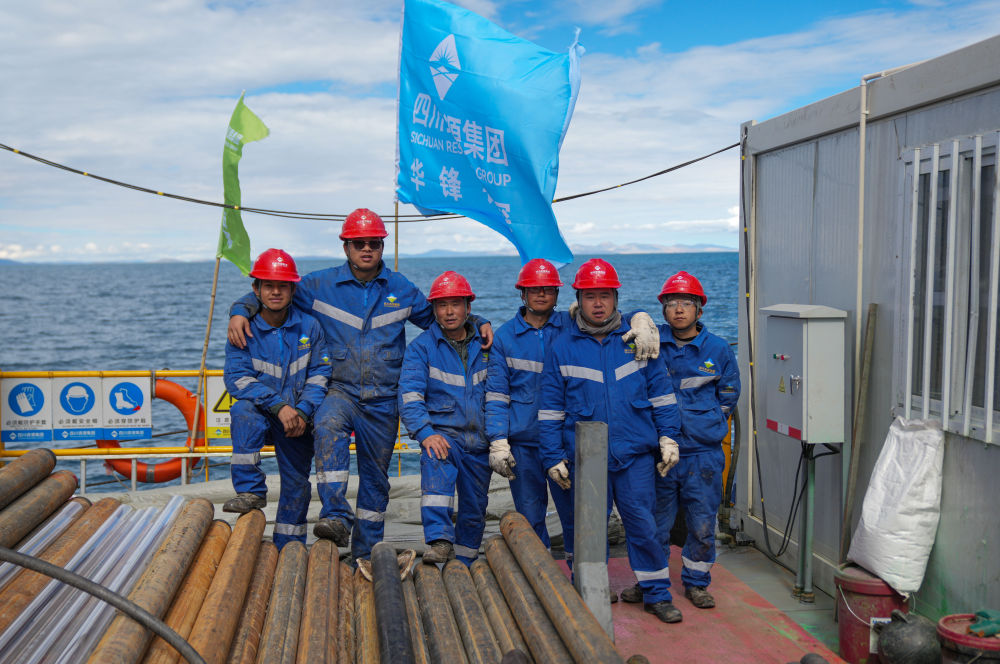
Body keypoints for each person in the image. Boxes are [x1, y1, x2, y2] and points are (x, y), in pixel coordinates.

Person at [227, 208, 492, 560]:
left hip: (384, 400)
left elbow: (443, 317)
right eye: (358, 243)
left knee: (376, 479)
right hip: (340, 390)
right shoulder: (319, 286)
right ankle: (336, 517)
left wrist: (478, 320)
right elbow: (275, 291)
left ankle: (365, 556)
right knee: (327, 425)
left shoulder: (401, 289)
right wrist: (240, 309)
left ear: (382, 247)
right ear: (346, 247)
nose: (366, 249)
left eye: (373, 243)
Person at [537, 258, 685, 623]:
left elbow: (662, 395)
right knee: (587, 531)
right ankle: (590, 593)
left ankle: (656, 593)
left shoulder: (638, 340)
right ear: (578, 300)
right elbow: (550, 410)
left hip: (634, 455)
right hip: (585, 459)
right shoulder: (562, 347)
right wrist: (552, 457)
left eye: (604, 295)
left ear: (616, 298)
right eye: (590, 297)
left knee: (644, 526)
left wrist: (669, 437)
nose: (598, 303)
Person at [484, 259, 661, 562]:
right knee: (530, 517)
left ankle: (577, 576)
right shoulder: (505, 337)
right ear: (522, 294)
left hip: (567, 444)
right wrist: (498, 441)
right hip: (525, 444)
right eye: (534, 289)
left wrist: (641, 318)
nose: (541, 294)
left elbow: (610, 317)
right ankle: (539, 576)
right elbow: (497, 396)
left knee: (577, 518)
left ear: (558, 293)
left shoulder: (571, 324)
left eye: (548, 289)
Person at [621, 270, 740, 609]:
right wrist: (637, 318)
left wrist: (707, 422)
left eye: (686, 303)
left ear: (699, 309)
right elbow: (615, 328)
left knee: (702, 523)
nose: (678, 310)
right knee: (653, 524)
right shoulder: (652, 341)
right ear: (663, 309)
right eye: (672, 303)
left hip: (703, 454)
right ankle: (650, 582)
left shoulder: (717, 349)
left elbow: (729, 394)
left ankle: (697, 582)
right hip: (657, 453)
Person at [222, 249, 331, 550]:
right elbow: (237, 378)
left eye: (282, 286)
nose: (275, 292)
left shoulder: (310, 327)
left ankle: (290, 546)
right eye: (268, 285)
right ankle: (250, 491)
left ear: (293, 290)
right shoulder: (243, 330)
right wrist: (278, 406)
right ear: (255, 289)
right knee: (242, 410)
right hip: (264, 412)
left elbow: (320, 373)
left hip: (298, 418)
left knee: (296, 483)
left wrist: (303, 412)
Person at [398, 271, 490, 566]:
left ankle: (465, 564)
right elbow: (410, 396)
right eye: (442, 305)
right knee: (435, 461)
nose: (449, 312)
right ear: (434, 310)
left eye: (456, 304)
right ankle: (439, 539)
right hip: (445, 436)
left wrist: (499, 438)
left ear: (468, 307)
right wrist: (425, 433)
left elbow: (500, 392)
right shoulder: (421, 348)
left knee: (475, 508)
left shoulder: (486, 346)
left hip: (480, 440)